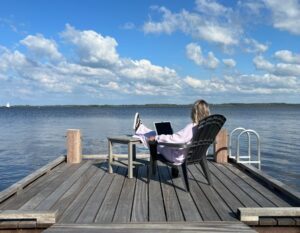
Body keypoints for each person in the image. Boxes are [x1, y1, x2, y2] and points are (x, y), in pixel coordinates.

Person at [133, 99, 210, 174]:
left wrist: (157, 138)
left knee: (152, 138)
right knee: (156, 135)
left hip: (178, 157)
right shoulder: (206, 127)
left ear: (195, 112)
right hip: (195, 155)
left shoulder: (192, 127)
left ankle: (139, 129)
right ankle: (140, 128)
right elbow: (182, 138)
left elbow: (178, 139)